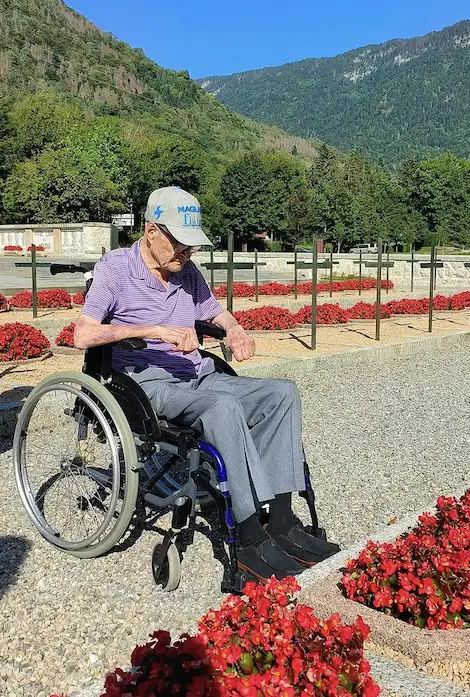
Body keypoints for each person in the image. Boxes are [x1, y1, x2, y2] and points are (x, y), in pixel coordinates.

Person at [74, 186, 339, 581]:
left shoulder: (187, 272)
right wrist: (156, 330)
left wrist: (234, 331)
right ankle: (248, 537)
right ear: (151, 231)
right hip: (149, 384)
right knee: (223, 407)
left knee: (282, 393)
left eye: (191, 246)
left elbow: (216, 312)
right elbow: (83, 334)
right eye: (180, 244)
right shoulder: (115, 269)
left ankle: (281, 522)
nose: (187, 253)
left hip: (198, 374)